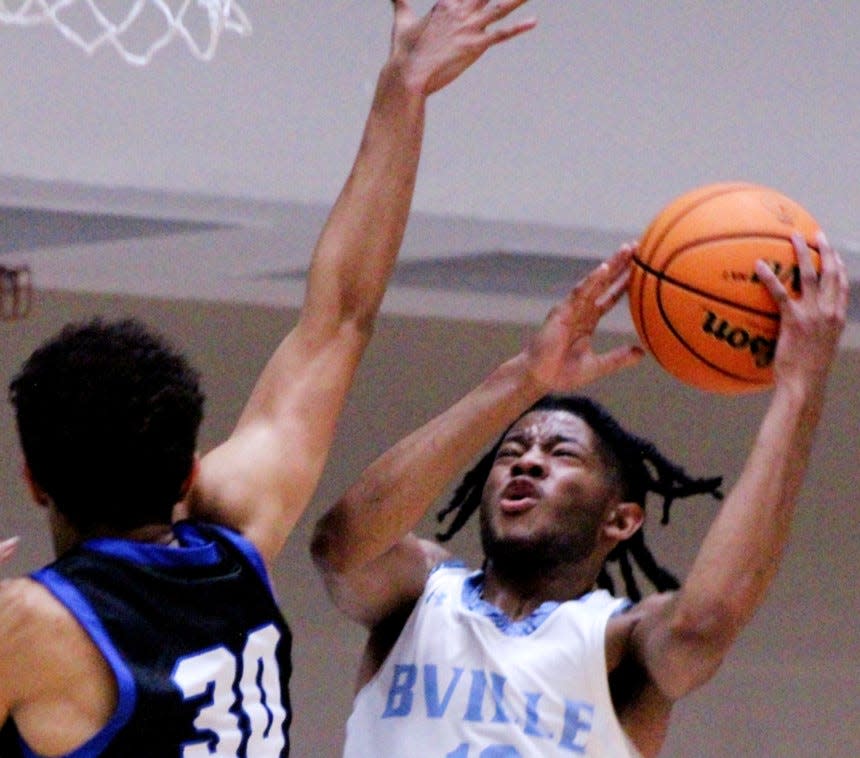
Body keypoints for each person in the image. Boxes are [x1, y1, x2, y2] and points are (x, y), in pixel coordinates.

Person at [0, 2, 537, 756]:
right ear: (189, 470)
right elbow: (341, 316)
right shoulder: (232, 540)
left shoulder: (24, 627)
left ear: (33, 479)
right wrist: (403, 90)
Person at [311, 235, 848, 757]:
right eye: (512, 450)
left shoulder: (621, 643)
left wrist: (799, 389)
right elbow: (341, 544)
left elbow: (703, 624)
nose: (527, 459)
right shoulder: (418, 597)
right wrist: (525, 378)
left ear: (620, 520)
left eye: (561, 453)